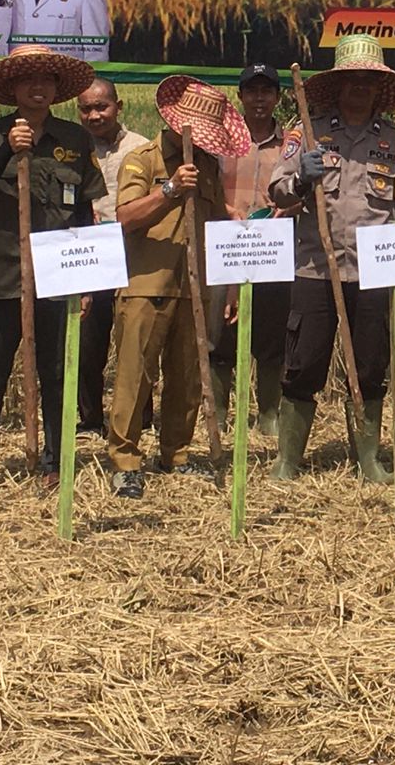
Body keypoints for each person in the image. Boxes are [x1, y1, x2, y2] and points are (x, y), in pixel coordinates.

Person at [267, 36, 395, 482]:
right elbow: (276, 190)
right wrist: (301, 176)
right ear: (337, 86)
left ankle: (368, 457)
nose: (359, 88)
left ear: (379, 89)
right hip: (315, 267)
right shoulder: (307, 132)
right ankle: (288, 459)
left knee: (372, 365)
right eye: (351, 80)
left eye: (368, 81)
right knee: (303, 362)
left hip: (374, 272)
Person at [0, 45, 103, 492]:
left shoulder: (74, 139)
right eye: (28, 80)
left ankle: (54, 462)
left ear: (57, 89)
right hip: (3, 275)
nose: (37, 88)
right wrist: (7, 151)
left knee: (58, 374)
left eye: (47, 81)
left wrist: (86, 280)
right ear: (13, 89)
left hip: (57, 276)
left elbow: (84, 214)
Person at [107, 76, 249, 499]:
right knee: (136, 376)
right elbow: (125, 218)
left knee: (186, 376)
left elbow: (209, 217)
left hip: (194, 286)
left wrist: (232, 219)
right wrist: (169, 191)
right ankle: (125, 461)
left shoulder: (207, 165)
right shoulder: (143, 159)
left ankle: (176, 454)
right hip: (147, 284)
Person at [210, 62, 293, 437]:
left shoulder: (292, 142)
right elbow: (205, 185)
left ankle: (269, 414)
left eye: (267, 91)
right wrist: (221, 208)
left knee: (271, 337)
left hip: (272, 249)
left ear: (277, 97)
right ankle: (221, 412)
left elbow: (300, 188)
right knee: (220, 334)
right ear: (240, 96)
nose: (259, 99)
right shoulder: (219, 140)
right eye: (252, 91)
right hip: (226, 246)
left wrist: (290, 206)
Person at [74, 78, 149, 436]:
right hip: (89, 256)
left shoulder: (141, 149)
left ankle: (141, 417)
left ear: (119, 107)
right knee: (89, 341)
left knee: (135, 340)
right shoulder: (71, 147)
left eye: (101, 107)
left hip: (133, 253)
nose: (94, 115)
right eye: (86, 108)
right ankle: (90, 418)